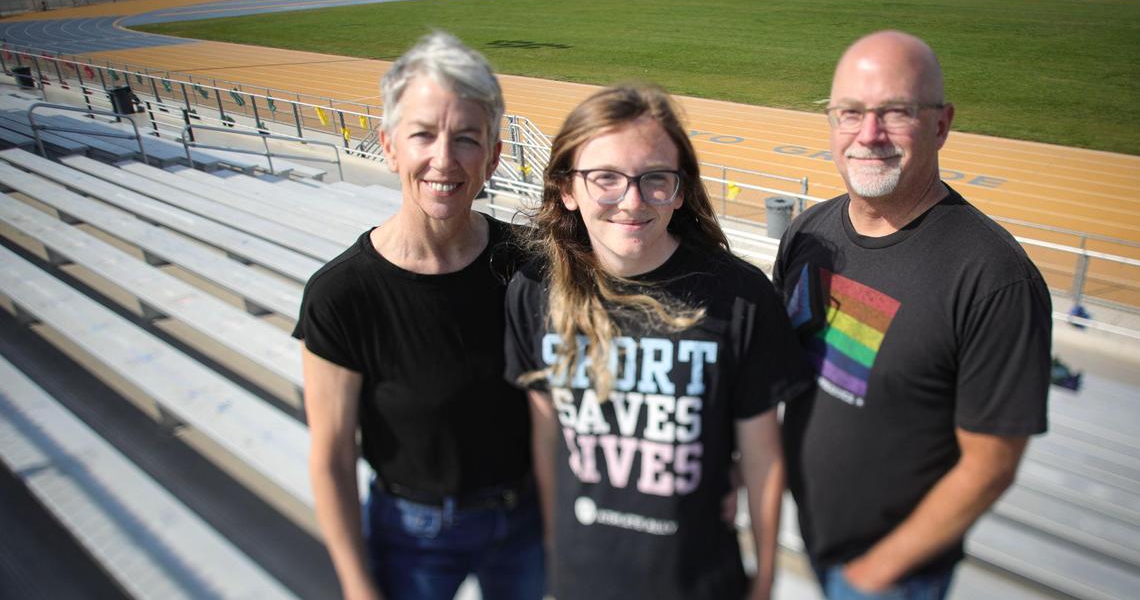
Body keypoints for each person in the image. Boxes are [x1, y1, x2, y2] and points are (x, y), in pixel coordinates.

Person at [773, 30, 1052, 600]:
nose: (868, 135)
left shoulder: (995, 278)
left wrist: (872, 575)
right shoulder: (808, 233)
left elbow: (991, 464)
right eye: (849, 112)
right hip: (815, 539)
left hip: (892, 576)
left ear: (943, 124)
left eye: (895, 112)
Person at [504, 84, 811, 600]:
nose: (632, 201)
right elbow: (546, 439)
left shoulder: (740, 297)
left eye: (655, 180)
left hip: (701, 583)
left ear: (681, 189)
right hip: (580, 582)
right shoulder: (534, 292)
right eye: (605, 178)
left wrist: (763, 581)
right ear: (567, 189)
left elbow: (762, 456)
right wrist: (556, 553)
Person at [293, 32, 543, 600]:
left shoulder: (531, 263)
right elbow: (330, 456)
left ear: (495, 155)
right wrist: (359, 588)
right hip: (414, 535)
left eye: (466, 139)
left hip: (527, 519)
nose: (444, 160)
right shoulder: (341, 293)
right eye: (423, 135)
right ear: (388, 146)